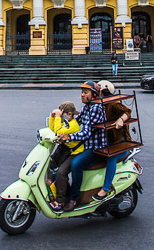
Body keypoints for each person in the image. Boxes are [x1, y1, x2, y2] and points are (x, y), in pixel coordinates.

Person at [58, 81, 108, 212]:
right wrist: (60, 123)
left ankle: (74, 198)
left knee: (76, 164)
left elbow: (86, 132)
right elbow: (76, 121)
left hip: (96, 148)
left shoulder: (96, 109)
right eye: (82, 92)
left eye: (85, 92)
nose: (82, 95)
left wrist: (69, 137)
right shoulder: (87, 107)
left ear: (94, 95)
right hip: (87, 146)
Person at [95, 80, 131, 202]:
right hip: (107, 142)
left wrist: (121, 119)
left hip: (120, 142)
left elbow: (127, 111)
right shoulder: (97, 105)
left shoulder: (113, 103)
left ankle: (105, 188)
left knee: (112, 157)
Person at [46, 101, 84, 211]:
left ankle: (60, 201)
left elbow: (58, 132)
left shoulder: (73, 126)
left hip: (75, 152)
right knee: (51, 163)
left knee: (61, 172)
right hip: (67, 150)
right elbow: (52, 129)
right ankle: (55, 188)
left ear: (69, 115)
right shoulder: (66, 123)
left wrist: (57, 118)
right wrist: (53, 117)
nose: (61, 117)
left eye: (62, 115)